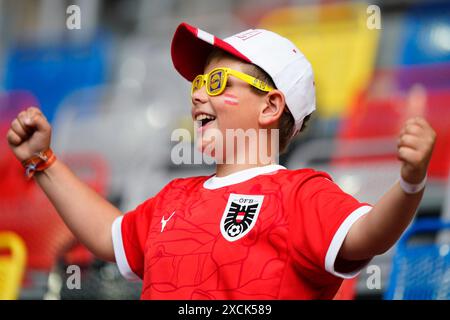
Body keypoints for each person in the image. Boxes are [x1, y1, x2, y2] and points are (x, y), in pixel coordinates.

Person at [6, 22, 436, 299]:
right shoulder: (173, 197)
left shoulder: (301, 194)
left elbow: (369, 236)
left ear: (270, 107)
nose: (197, 94)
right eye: (197, 82)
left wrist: (411, 184)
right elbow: (107, 235)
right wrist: (43, 160)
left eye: (215, 81)